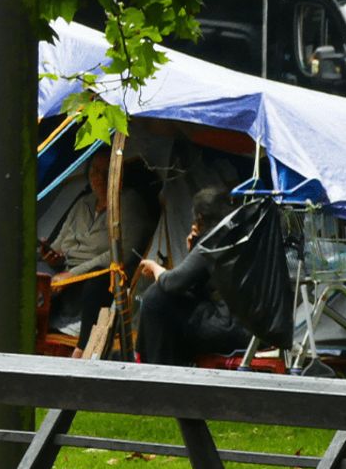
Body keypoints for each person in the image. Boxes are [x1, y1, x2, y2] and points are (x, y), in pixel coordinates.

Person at [41, 150, 155, 342]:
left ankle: (83, 344)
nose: (99, 178)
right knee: (35, 273)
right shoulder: (83, 203)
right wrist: (52, 256)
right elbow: (60, 243)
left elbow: (123, 253)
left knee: (97, 280)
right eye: (94, 171)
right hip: (65, 270)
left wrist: (73, 274)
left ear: (118, 175)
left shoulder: (129, 202)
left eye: (106, 172)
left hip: (94, 276)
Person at [136, 187, 249, 366]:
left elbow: (172, 283)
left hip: (227, 330)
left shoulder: (212, 243)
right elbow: (198, 284)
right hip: (251, 329)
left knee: (155, 298)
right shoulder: (242, 236)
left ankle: (155, 368)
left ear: (200, 219)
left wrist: (156, 267)